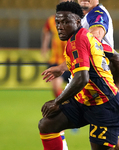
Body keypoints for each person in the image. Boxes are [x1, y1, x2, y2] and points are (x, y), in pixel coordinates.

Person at [42, 0, 119, 150]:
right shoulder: (78, 29)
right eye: (58, 22)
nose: (60, 26)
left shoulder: (97, 16)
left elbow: (97, 34)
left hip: (102, 94)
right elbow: (114, 59)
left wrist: (115, 86)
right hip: (83, 93)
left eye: (64, 22)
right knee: (49, 123)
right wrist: (62, 67)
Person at [41, 1, 73, 150]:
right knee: (55, 86)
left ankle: (69, 113)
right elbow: (46, 33)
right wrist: (44, 47)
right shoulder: (50, 20)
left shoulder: (74, 20)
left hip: (70, 61)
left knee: (75, 89)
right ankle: (61, 111)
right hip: (55, 60)